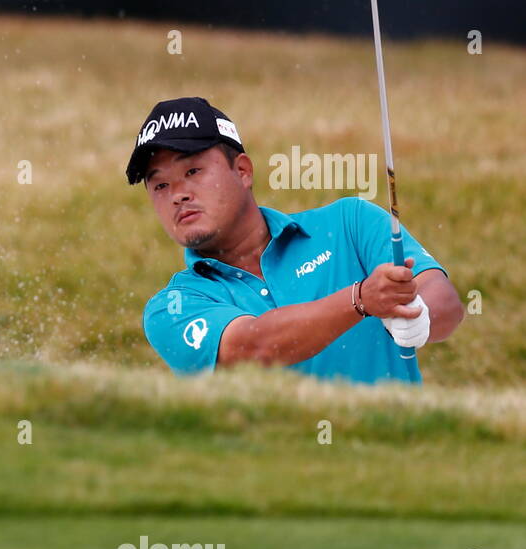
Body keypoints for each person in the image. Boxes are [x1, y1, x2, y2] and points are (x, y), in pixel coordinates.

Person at [127, 97, 464, 383]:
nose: (178, 195)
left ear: (242, 171)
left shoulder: (351, 222)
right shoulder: (172, 308)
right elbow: (253, 348)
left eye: (192, 172)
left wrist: (419, 315)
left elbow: (444, 300)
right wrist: (360, 300)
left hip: (396, 457)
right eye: (160, 185)